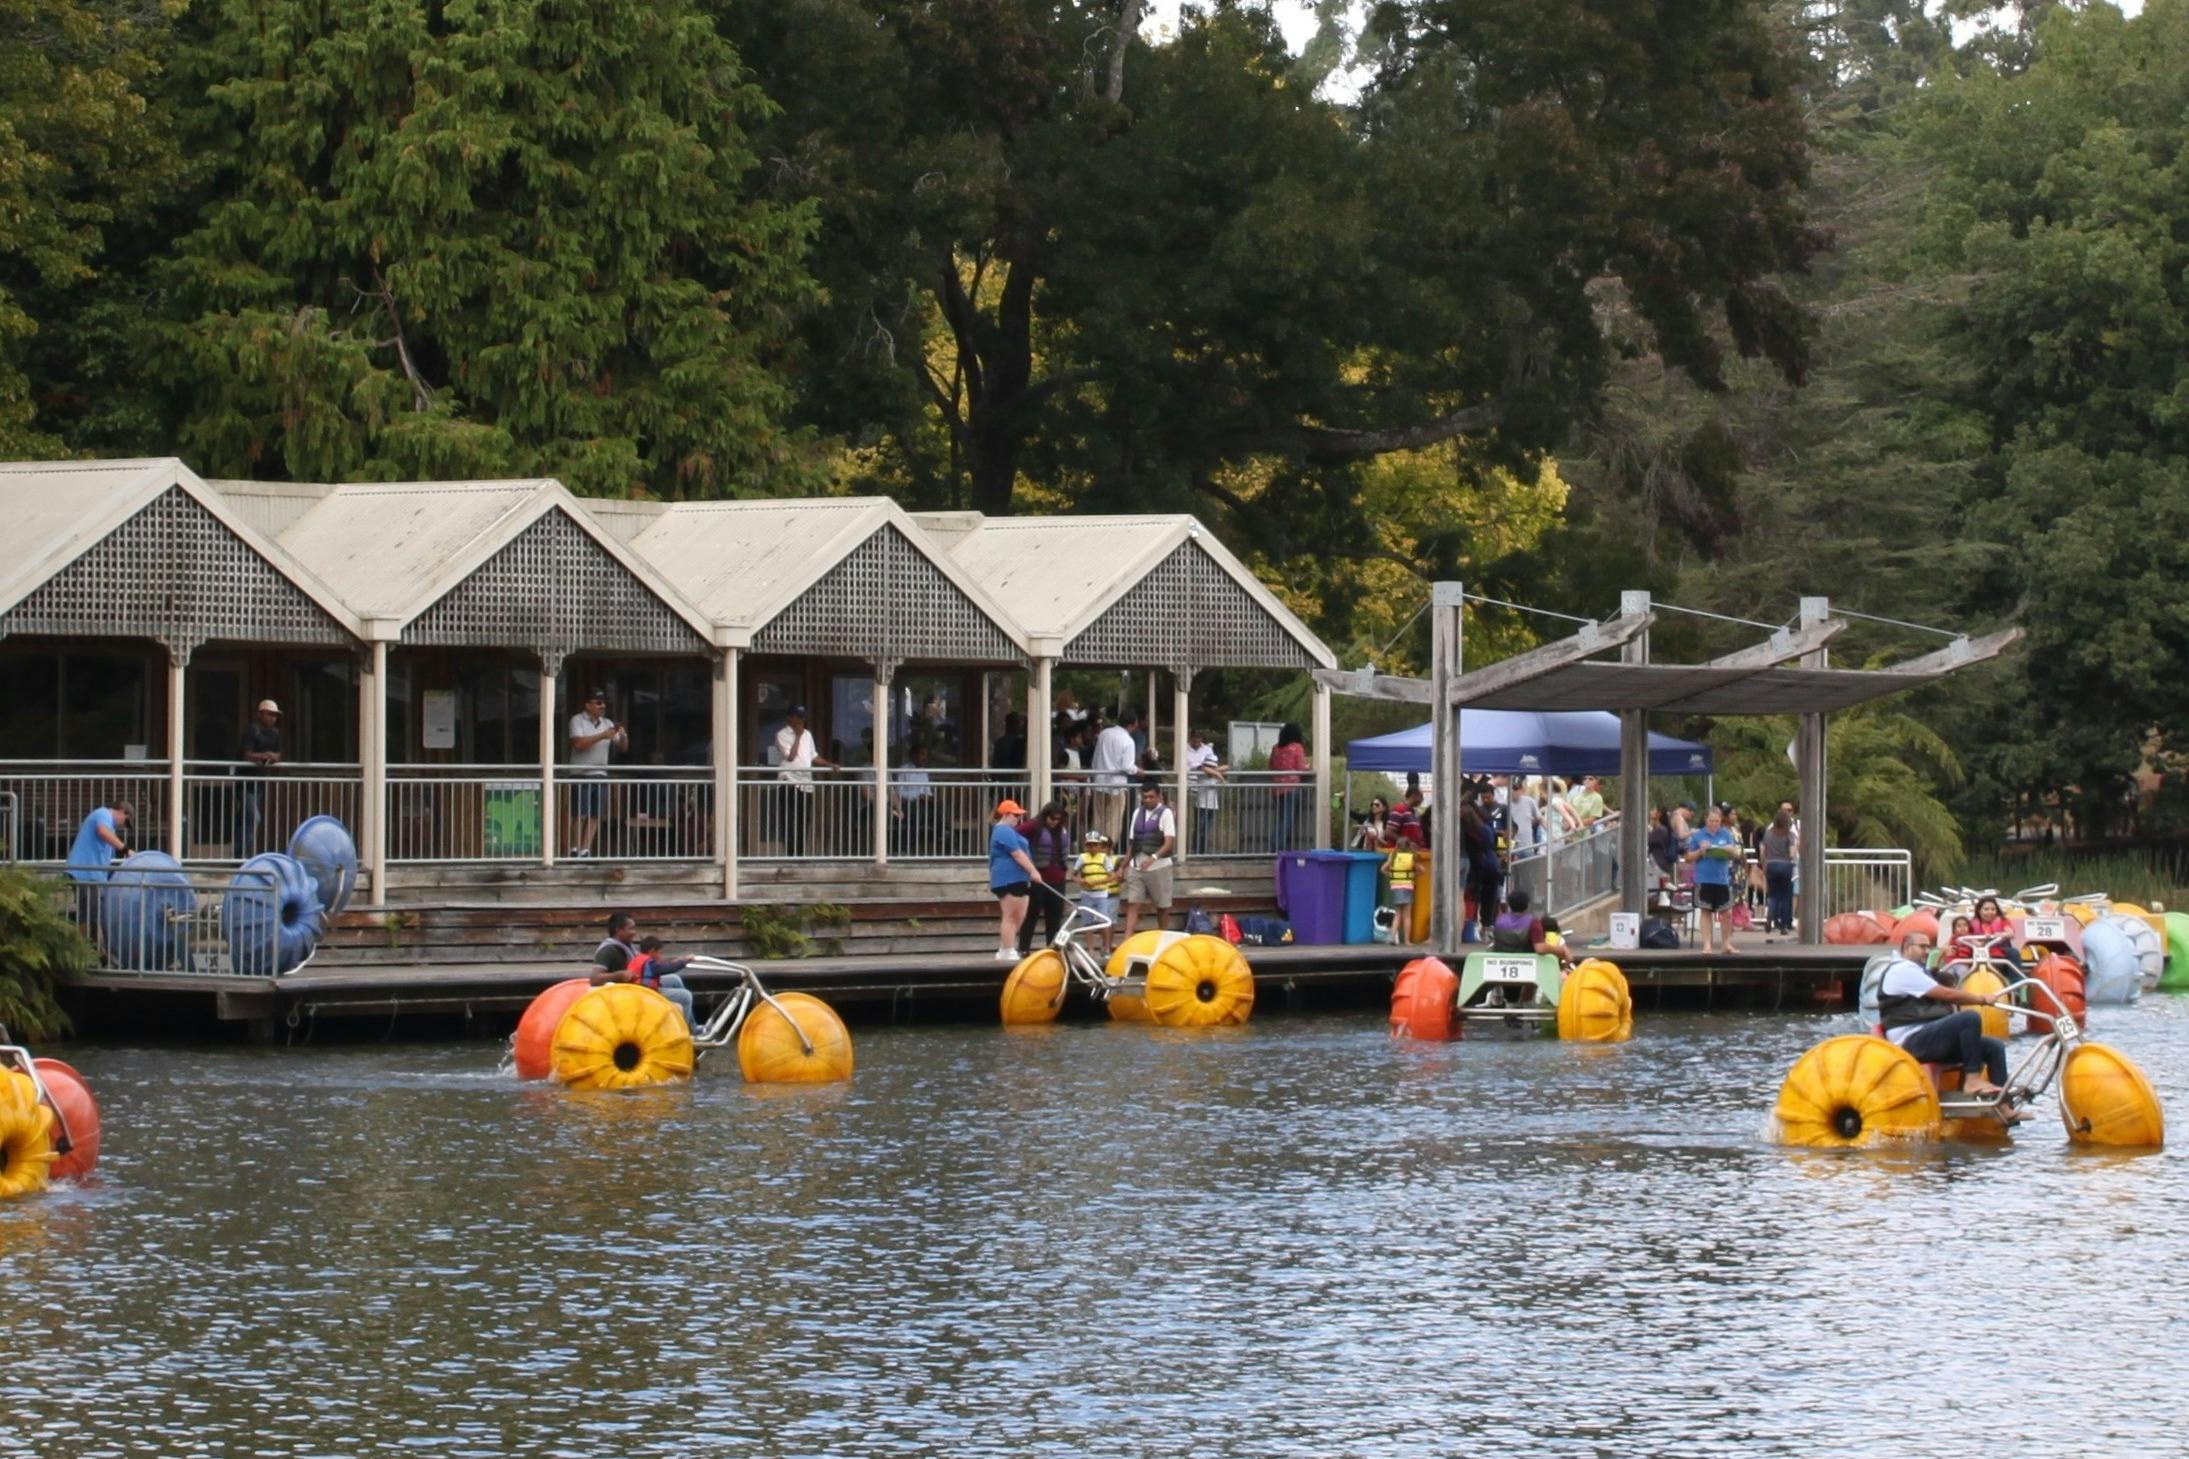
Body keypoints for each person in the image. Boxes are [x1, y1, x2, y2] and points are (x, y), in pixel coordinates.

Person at [1878, 929, 2024, 1110]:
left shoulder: (1918, 970)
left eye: (1928, 947)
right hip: (1910, 1041)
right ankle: (1972, 1080)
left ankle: (2004, 1108)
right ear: (1907, 948)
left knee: (1993, 1047)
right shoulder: (1902, 970)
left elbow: (1942, 983)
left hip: (1927, 1037)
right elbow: (1946, 994)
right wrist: (1981, 999)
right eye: (1922, 947)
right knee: (1969, 1018)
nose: (1926, 951)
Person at [567, 689, 627, 858]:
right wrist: (602, 735)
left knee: (595, 814)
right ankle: (574, 848)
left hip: (601, 773)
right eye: (598, 702)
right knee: (580, 813)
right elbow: (578, 744)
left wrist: (622, 734)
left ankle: (585, 849)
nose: (603, 706)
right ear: (587, 705)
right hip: (581, 773)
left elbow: (623, 748)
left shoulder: (607, 722)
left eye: (604, 703)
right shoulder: (577, 719)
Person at [773, 705, 836, 858]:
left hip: (805, 782)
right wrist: (798, 736)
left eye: (803, 718)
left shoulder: (808, 734)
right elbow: (790, 756)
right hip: (789, 780)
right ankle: (790, 853)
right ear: (790, 718)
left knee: (803, 818)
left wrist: (829, 764)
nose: (802, 721)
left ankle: (800, 853)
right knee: (789, 818)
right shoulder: (781, 734)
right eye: (799, 717)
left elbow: (813, 756)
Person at [1120, 778, 1178, 940]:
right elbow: (1132, 843)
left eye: (1151, 797)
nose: (1147, 800)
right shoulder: (1137, 813)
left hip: (1159, 867)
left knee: (1163, 906)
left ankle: (1163, 936)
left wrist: (1153, 857)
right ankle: (1127, 939)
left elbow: (1169, 842)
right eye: (1144, 797)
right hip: (1137, 865)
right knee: (1133, 903)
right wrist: (1122, 866)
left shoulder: (1165, 813)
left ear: (1158, 796)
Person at [1017, 801, 1074, 955]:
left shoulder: (1061, 829)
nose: (1055, 822)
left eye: (1058, 819)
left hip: (1058, 878)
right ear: (1045, 816)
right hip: (1038, 879)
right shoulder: (1033, 826)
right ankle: (1023, 949)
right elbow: (1015, 837)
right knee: (1031, 914)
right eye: (1052, 819)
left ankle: (1052, 950)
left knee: (1055, 916)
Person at [1683, 804, 1742, 954]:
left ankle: (1726, 943)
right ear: (1705, 820)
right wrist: (1700, 851)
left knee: (1726, 912)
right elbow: (1688, 857)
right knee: (1706, 911)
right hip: (1704, 877)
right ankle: (1707, 944)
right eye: (1711, 821)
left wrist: (1729, 850)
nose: (1714, 824)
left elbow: (1735, 853)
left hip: (1722, 878)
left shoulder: (1726, 834)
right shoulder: (1698, 835)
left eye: (1716, 821)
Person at [66, 799, 132, 929]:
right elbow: (102, 831)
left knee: (90, 915)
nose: (123, 825)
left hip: (91, 875)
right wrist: (125, 850)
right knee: (92, 916)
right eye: (126, 821)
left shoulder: (108, 824)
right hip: (86, 873)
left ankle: (88, 946)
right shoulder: (103, 814)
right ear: (122, 812)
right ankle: (90, 947)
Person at [989, 798, 1040, 960]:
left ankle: (1005, 946)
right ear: (1005, 814)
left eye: (1019, 816)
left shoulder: (1012, 831)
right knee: (1010, 915)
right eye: (1015, 815)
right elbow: (1016, 853)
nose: (1018, 819)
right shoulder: (1002, 830)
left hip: (1020, 877)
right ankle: (1008, 949)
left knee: (1020, 915)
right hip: (1008, 878)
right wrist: (1033, 871)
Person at [618, 934, 698, 1031]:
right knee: (686, 996)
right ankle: (686, 1031)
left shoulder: (640, 959)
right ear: (652, 951)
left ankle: (693, 1025)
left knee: (675, 980)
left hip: (638, 991)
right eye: (659, 953)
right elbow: (668, 967)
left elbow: (663, 964)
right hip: (646, 994)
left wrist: (680, 959)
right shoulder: (651, 964)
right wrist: (685, 961)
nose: (660, 956)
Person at [237, 698, 283, 858]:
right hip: (245, 781)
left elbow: (279, 754)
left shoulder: (275, 733)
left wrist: (273, 756)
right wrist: (262, 756)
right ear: (261, 714)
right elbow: (246, 754)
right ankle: (243, 856)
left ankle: (239, 853)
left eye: (275, 715)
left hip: (259, 781)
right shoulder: (252, 730)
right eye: (270, 714)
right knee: (254, 817)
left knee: (246, 818)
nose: (273, 718)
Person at [1089, 708, 1140, 847]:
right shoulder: (1128, 741)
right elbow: (1127, 766)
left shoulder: (1104, 733)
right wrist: (1138, 770)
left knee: (1097, 820)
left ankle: (1093, 850)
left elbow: (1096, 758)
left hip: (1099, 783)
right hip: (1116, 786)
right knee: (1113, 822)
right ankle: (1107, 852)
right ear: (1134, 723)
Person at [1488, 888, 1576, 966]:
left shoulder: (1499, 920)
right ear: (1527, 905)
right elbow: (1540, 949)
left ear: (1510, 904)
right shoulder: (1533, 922)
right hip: (1526, 965)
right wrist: (1561, 950)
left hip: (1501, 963)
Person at [1072, 830, 1120, 958]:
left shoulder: (1104, 858)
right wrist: (1081, 881)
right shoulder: (1082, 858)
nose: (1092, 847)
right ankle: (1090, 949)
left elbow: (1112, 876)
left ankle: (1105, 947)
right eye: (1090, 845)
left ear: (1100, 846)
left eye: (1095, 845)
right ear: (1086, 845)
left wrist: (1098, 881)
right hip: (1086, 893)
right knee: (1087, 922)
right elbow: (1073, 875)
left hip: (1101, 893)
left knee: (1103, 921)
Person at [891, 742, 936, 855]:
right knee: (916, 813)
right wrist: (918, 795)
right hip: (907, 804)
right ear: (913, 755)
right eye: (922, 754)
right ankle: (904, 848)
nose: (924, 757)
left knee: (942, 809)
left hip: (924, 804)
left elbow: (928, 792)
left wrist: (930, 798)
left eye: (926, 755)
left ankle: (947, 843)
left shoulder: (924, 772)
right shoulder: (903, 769)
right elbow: (899, 792)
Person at [1185, 729, 1226, 854]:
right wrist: (1219, 775)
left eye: (1199, 737)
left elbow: (1219, 767)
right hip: (1199, 796)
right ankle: (1197, 850)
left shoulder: (1207, 751)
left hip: (1212, 800)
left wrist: (1216, 772)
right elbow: (1202, 768)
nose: (1197, 740)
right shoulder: (1202, 772)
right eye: (1195, 737)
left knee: (1206, 826)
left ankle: (1201, 850)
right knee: (1200, 826)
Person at [1269, 722, 1307, 850]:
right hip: (1291, 787)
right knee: (1287, 819)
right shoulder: (1297, 747)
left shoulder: (1275, 748)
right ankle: (1277, 847)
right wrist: (1307, 768)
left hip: (1276, 789)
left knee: (1280, 818)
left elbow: (1271, 766)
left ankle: (1275, 845)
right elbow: (1301, 768)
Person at [1761, 808, 1797, 935]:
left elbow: (1763, 851)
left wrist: (1764, 864)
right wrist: (1793, 858)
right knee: (1785, 896)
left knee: (1773, 894)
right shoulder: (1789, 835)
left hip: (1771, 865)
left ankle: (1770, 916)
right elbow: (1792, 853)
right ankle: (1783, 924)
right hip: (1785, 866)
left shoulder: (1768, 834)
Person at [1508, 776, 1541, 854]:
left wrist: (1551, 834)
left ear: (1521, 789)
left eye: (1516, 788)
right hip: (1511, 846)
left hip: (1527, 845)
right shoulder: (1504, 804)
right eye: (1512, 788)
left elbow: (1539, 819)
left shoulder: (1529, 801)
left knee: (1529, 864)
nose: (1514, 791)